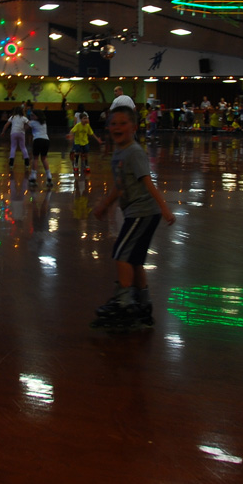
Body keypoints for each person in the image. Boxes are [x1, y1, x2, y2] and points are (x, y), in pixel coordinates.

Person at [90, 107, 176, 328]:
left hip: (143, 212)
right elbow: (120, 188)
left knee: (121, 254)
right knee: (135, 259)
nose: (117, 127)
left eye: (123, 123)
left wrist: (164, 208)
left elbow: (148, 181)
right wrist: (104, 206)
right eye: (113, 123)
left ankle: (124, 302)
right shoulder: (119, 153)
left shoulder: (134, 152)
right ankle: (143, 303)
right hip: (138, 212)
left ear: (134, 128)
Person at [0, 104, 31, 173]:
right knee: (23, 147)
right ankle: (27, 162)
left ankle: (11, 163)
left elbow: (6, 125)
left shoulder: (12, 117)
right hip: (21, 133)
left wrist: (3, 132)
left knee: (13, 147)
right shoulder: (23, 118)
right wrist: (25, 128)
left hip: (13, 133)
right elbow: (29, 124)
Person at [27, 109, 53, 187]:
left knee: (35, 158)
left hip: (38, 140)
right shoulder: (44, 122)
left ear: (37, 116)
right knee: (44, 158)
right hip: (46, 140)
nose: (31, 117)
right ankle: (49, 176)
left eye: (32, 115)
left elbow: (25, 128)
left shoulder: (32, 122)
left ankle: (33, 177)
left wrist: (25, 121)